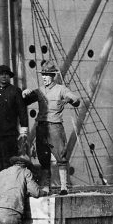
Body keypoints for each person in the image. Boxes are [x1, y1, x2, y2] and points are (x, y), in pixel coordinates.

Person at [22, 61, 81, 195]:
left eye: (47, 75)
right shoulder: (39, 91)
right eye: (43, 74)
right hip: (41, 127)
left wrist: (67, 100)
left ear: (53, 76)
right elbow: (25, 102)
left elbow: (76, 100)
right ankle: (46, 187)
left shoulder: (61, 89)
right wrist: (24, 93)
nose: (44, 77)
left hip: (55, 127)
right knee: (43, 158)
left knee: (61, 157)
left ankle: (64, 187)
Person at [0, 65, 29, 179]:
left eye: (6, 74)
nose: (4, 76)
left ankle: (9, 187)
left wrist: (24, 130)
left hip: (9, 134)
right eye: (1, 74)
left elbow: (22, 111)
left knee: (8, 161)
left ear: (9, 76)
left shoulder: (15, 91)